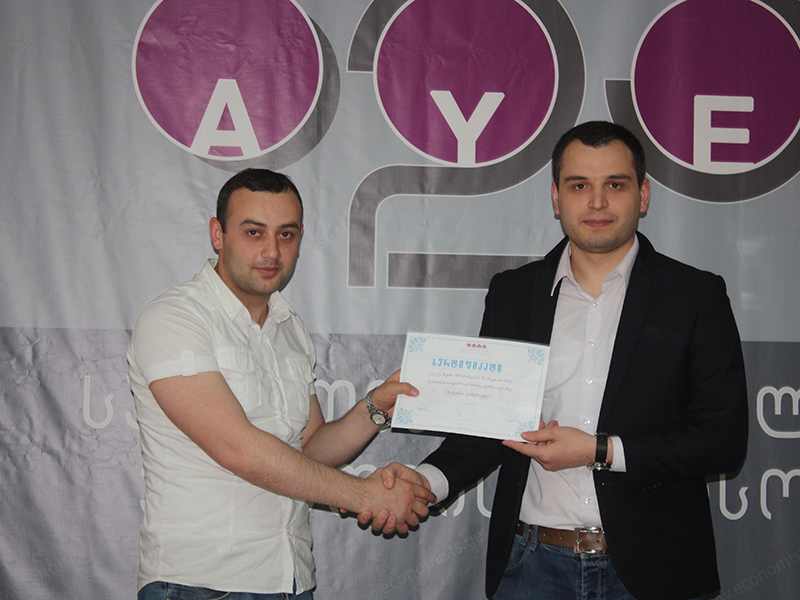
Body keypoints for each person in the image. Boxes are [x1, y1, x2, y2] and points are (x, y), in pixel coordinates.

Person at [371, 121, 749, 600]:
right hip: (531, 568)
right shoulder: (513, 293)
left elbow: (723, 441)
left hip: (655, 570)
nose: (597, 202)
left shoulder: (694, 295)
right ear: (556, 197)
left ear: (644, 195)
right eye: (579, 186)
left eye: (615, 185)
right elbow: (487, 426)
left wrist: (599, 450)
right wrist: (423, 481)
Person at [127, 168, 435, 599]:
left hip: (290, 580)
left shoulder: (290, 328)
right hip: (198, 584)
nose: (271, 251)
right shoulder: (174, 318)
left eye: (286, 235)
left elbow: (308, 450)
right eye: (253, 232)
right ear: (217, 234)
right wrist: (364, 495)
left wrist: (375, 408)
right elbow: (237, 448)